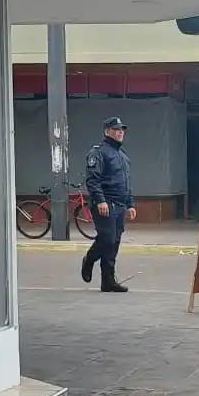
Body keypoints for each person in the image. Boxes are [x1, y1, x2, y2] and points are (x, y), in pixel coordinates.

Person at [82, 117, 136, 292]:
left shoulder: (122, 155)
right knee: (107, 238)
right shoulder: (99, 152)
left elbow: (126, 182)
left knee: (115, 242)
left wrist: (130, 204)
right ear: (107, 131)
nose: (120, 132)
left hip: (120, 205)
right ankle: (89, 259)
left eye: (122, 129)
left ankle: (108, 280)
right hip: (106, 203)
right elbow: (92, 179)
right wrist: (100, 200)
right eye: (116, 129)